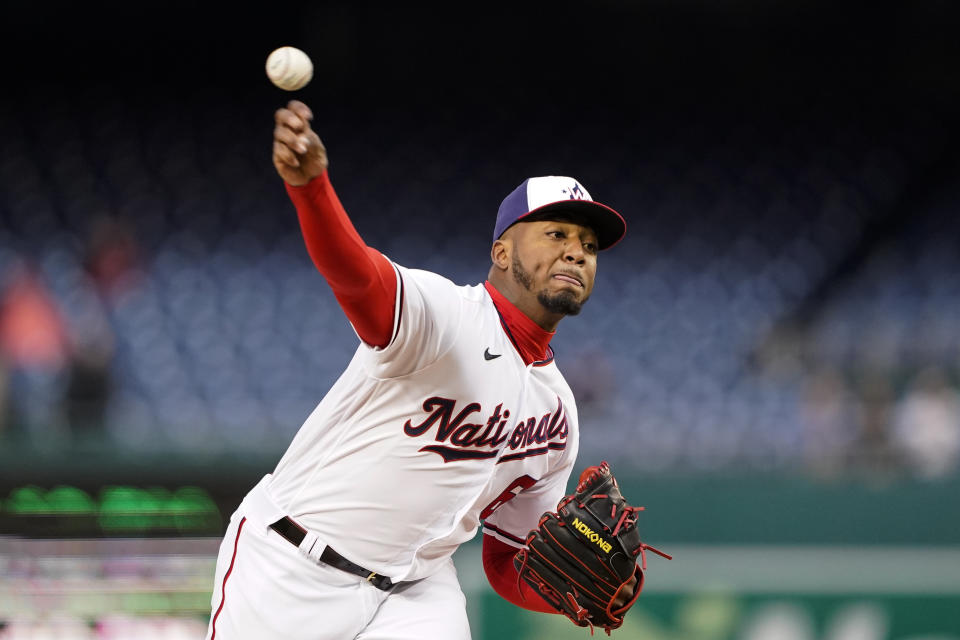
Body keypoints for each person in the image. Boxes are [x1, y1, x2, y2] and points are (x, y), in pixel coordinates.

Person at [205, 100, 631, 639]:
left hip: (415, 590)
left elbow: (507, 563)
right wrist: (312, 189)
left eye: (589, 246)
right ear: (501, 252)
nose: (577, 253)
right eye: (557, 234)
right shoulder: (446, 316)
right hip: (292, 564)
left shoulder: (557, 415)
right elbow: (357, 278)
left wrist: (579, 597)